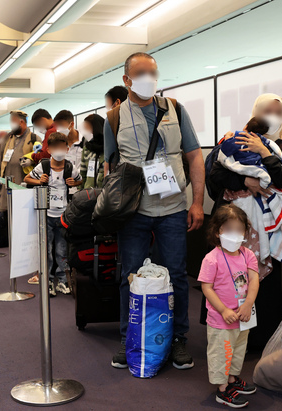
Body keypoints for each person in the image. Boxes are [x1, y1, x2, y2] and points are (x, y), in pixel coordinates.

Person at [104, 52, 205, 370]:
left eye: (153, 72)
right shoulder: (114, 118)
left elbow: (194, 156)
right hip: (134, 209)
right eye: (141, 72)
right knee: (130, 274)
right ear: (127, 80)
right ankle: (129, 337)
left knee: (177, 274)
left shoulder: (175, 109)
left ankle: (178, 340)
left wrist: (198, 202)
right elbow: (110, 166)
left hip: (174, 207)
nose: (149, 77)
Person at [209, 93, 282, 350]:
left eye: (278, 113)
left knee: (265, 283)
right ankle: (232, 336)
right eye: (266, 111)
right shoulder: (234, 139)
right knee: (233, 276)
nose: (272, 117)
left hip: (268, 227)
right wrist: (245, 181)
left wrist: (263, 152)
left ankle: (264, 339)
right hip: (235, 222)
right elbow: (217, 174)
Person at [199, 204, 259, 408]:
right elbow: (207, 288)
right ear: (218, 232)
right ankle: (222, 389)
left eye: (239, 230)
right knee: (221, 353)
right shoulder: (211, 258)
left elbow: (254, 280)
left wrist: (248, 303)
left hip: (243, 315)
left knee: (238, 350)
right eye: (229, 229)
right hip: (221, 319)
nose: (235, 234)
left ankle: (232, 379)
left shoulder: (247, 255)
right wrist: (224, 310)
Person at [24, 132, 82, 295]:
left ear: (67, 148)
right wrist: (39, 181)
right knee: (47, 249)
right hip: (46, 215)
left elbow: (80, 180)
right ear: (49, 150)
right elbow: (27, 178)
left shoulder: (70, 167)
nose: (58, 150)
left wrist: (74, 182)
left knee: (62, 250)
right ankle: (48, 281)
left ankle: (63, 280)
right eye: (55, 147)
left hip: (64, 215)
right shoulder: (43, 166)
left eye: (61, 147)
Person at [0, 110, 40, 211]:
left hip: (24, 185)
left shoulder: (34, 138)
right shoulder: (7, 138)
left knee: (22, 214)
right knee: (6, 213)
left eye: (13, 121)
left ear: (21, 122)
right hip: (6, 186)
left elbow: (41, 159)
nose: (11, 124)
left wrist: (31, 161)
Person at [54, 110, 84, 195]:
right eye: (57, 126)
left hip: (81, 190)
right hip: (63, 191)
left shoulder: (85, 142)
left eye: (61, 125)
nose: (58, 129)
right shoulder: (59, 144)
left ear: (72, 124)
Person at [79, 113, 105, 189]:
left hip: (105, 193)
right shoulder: (87, 148)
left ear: (97, 128)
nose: (85, 132)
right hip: (88, 193)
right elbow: (83, 173)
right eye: (85, 129)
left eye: (87, 128)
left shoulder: (109, 147)